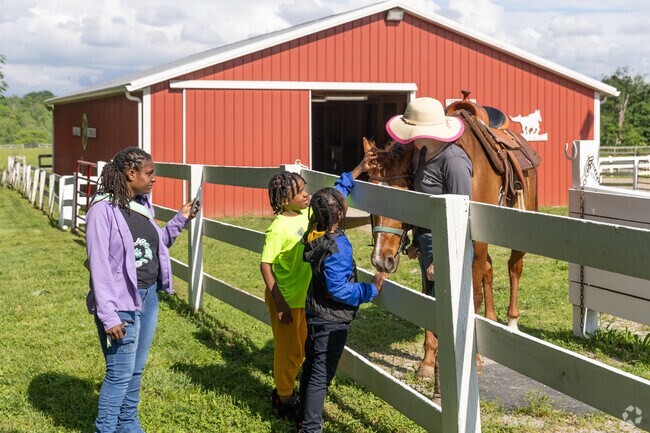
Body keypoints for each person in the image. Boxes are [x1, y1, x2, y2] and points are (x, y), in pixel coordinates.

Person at [85, 147, 199, 433]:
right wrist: (109, 315)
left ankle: (128, 423)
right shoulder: (102, 211)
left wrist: (180, 219)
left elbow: (155, 246)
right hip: (120, 304)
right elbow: (99, 264)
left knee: (135, 370)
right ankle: (106, 429)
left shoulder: (141, 204)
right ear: (130, 173)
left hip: (147, 297)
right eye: (149, 173)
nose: (154, 179)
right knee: (119, 374)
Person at [260, 155, 376, 420]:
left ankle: (291, 392)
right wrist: (279, 301)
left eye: (305, 190)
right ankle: (285, 398)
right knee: (288, 353)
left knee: (301, 350)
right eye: (299, 192)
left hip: (306, 299)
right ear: (282, 201)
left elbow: (333, 197)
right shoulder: (278, 229)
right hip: (287, 300)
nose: (306, 195)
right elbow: (265, 265)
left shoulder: (308, 216)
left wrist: (357, 169)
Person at [386, 96, 472, 390]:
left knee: (444, 307)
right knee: (432, 302)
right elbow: (425, 203)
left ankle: (445, 382)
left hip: (444, 244)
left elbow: (461, 215)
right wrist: (414, 238)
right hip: (427, 240)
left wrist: (442, 258)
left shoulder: (454, 162)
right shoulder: (424, 154)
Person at [298, 187, 388, 433]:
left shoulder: (315, 232)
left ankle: (301, 417)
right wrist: (368, 291)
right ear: (339, 212)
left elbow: (330, 196)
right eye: (341, 202)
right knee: (321, 375)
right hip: (331, 319)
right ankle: (310, 428)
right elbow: (339, 289)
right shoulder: (337, 247)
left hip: (315, 312)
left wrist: (354, 174)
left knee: (312, 365)